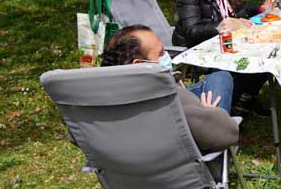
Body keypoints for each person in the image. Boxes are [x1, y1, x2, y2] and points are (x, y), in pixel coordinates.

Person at [171, 0, 279, 115]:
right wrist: (222, 27)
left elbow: (235, 9)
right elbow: (191, 29)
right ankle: (225, 108)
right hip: (198, 43)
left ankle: (244, 99)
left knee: (267, 49)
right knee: (233, 66)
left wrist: (261, 8)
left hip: (226, 36)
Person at [101, 25, 239, 153]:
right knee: (221, 79)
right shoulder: (168, 96)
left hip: (123, 172)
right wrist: (211, 112)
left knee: (220, 77)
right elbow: (227, 134)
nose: (167, 55)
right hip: (186, 169)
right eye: (161, 53)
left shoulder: (95, 101)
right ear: (138, 65)